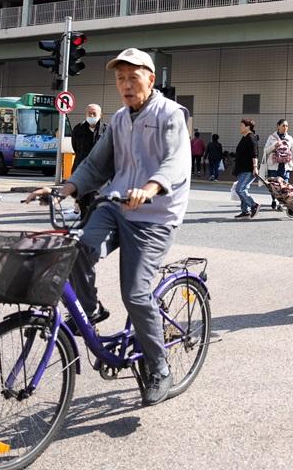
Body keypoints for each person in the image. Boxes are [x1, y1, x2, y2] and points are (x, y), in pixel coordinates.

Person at [25, 48, 191, 407]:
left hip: (154, 216)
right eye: (120, 79)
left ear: (150, 78)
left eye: (134, 77)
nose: (126, 85)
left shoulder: (170, 114)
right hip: (116, 206)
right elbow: (96, 165)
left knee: (135, 293)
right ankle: (90, 309)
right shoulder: (118, 119)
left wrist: (150, 188)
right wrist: (63, 188)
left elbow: (176, 162)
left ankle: (159, 367)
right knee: (79, 246)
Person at [232, 118, 261, 219]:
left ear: (247, 127)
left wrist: (255, 167)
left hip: (248, 169)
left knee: (240, 189)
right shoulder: (244, 137)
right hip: (242, 169)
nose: (240, 127)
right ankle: (245, 211)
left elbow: (255, 154)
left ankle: (253, 205)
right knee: (243, 189)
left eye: (241, 125)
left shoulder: (251, 138)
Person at [71, 104, 106, 170]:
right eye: (89, 113)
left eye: (94, 113)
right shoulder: (78, 129)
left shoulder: (106, 130)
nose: (91, 116)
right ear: (86, 114)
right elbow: (74, 146)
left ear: (100, 115)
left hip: (100, 169)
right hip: (80, 168)